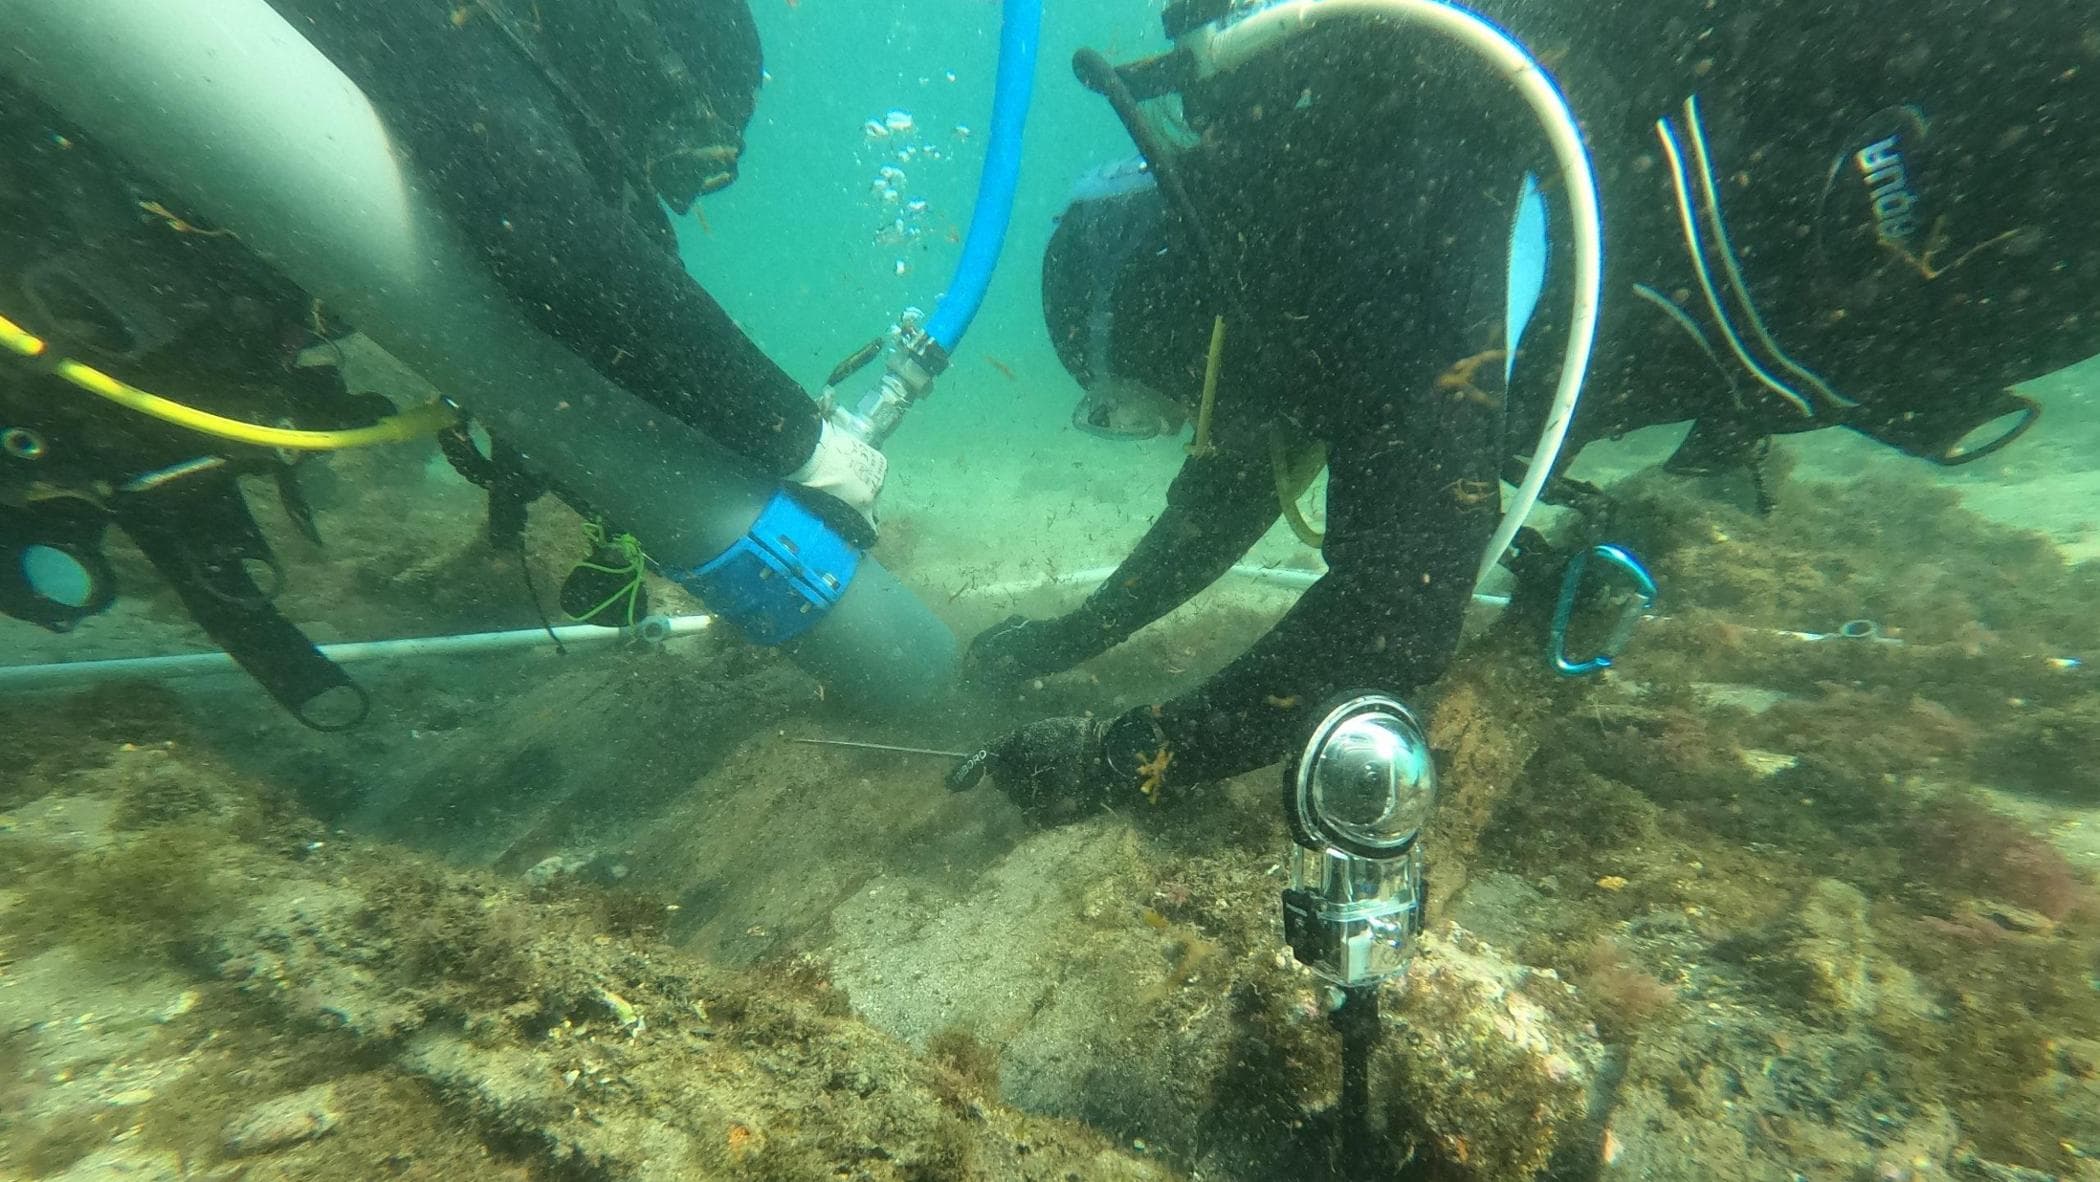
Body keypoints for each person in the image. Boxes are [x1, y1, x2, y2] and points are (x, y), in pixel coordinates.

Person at [957, 0, 2100, 816]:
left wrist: (1123, 759)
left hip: (2005, 127)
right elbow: (1226, 504)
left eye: (1153, 405)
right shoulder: (1299, 286)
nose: (1191, 432)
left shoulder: (1380, 204)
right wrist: (1063, 643)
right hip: (1963, 252)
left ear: (1171, 312)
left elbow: (1390, 621)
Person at [1, 0, 884, 726]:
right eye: (680, 139)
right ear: (633, 53)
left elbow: (571, 281)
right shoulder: (457, 28)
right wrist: (801, 441)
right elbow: (552, 242)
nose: (671, 185)